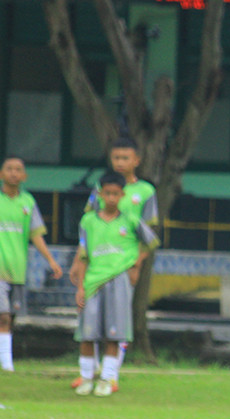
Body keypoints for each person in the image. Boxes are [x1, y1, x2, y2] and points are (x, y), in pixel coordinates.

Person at [70, 137, 159, 392]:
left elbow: (149, 233)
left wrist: (137, 266)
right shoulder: (99, 191)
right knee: (91, 325)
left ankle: (111, 375)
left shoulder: (145, 192)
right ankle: (88, 375)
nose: (120, 162)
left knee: (117, 324)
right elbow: (88, 231)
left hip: (123, 266)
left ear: (136, 161)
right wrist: (78, 263)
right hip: (96, 267)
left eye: (125, 158)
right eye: (116, 157)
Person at [0, 156, 63, 372]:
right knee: (3, 316)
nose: (14, 173)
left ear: (25, 176)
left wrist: (51, 260)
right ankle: (8, 367)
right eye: (9, 169)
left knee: (11, 318)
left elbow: (36, 235)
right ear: (0, 173)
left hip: (17, 270)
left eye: (18, 170)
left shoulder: (28, 202)